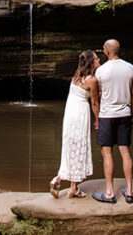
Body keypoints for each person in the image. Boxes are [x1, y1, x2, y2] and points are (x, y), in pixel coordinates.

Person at [92, 38, 133, 204]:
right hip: (125, 114)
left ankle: (110, 193)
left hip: (106, 115)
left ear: (106, 51)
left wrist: (97, 119)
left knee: (107, 153)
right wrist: (132, 116)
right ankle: (130, 192)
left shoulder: (101, 71)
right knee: (125, 151)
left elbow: (97, 96)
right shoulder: (131, 68)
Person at [48, 50, 100, 199]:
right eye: (97, 59)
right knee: (79, 146)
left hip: (70, 113)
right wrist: (98, 120)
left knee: (71, 146)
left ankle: (60, 180)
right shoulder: (92, 80)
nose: (99, 61)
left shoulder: (76, 76)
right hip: (80, 114)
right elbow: (95, 103)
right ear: (91, 62)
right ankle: (72, 188)